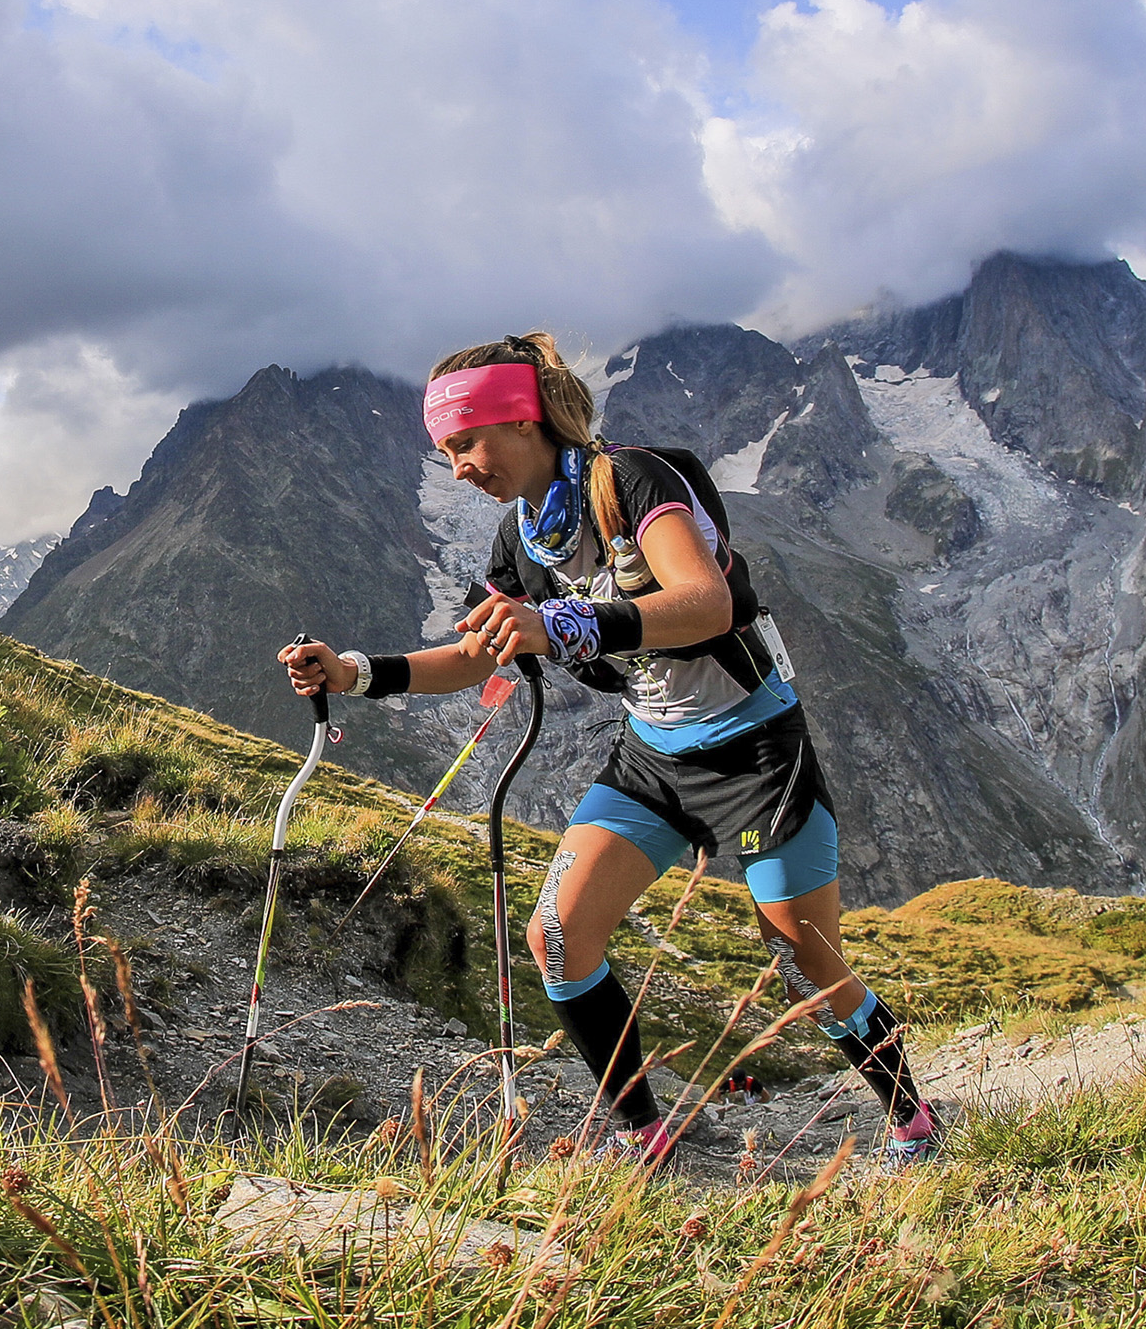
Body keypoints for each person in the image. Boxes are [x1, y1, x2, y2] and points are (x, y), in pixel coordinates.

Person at [280, 332, 938, 1169]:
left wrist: (569, 622)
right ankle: (648, 1135)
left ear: (523, 420)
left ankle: (912, 1120)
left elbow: (705, 603)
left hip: (756, 752)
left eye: (465, 443)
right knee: (558, 936)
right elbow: (480, 653)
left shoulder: (629, 482)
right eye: (445, 452)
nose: (458, 468)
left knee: (804, 961)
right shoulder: (519, 542)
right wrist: (355, 671)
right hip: (654, 758)